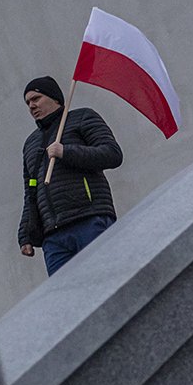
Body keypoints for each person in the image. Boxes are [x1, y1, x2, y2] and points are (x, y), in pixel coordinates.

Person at [17, 76, 123, 276]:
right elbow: (30, 189)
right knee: (66, 298)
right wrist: (26, 233)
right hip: (53, 236)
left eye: (36, 98)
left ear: (54, 98)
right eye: (28, 102)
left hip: (89, 219)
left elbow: (112, 154)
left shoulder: (82, 117)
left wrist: (66, 152)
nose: (31, 106)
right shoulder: (31, 143)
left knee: (106, 279)